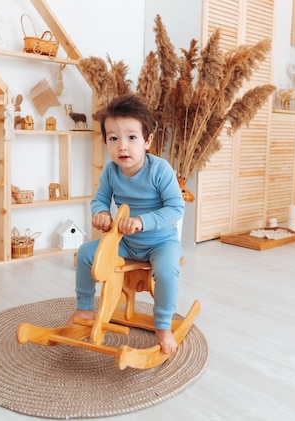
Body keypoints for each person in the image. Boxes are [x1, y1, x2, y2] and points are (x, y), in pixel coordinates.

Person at [68, 94, 185, 355]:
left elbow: (176, 208)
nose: (122, 146)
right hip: (126, 242)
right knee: (87, 253)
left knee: (167, 271)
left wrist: (143, 221)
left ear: (147, 141)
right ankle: (85, 309)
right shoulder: (111, 171)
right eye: (114, 138)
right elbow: (99, 199)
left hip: (160, 243)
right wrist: (101, 214)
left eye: (132, 138)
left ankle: (163, 324)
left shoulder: (160, 170)